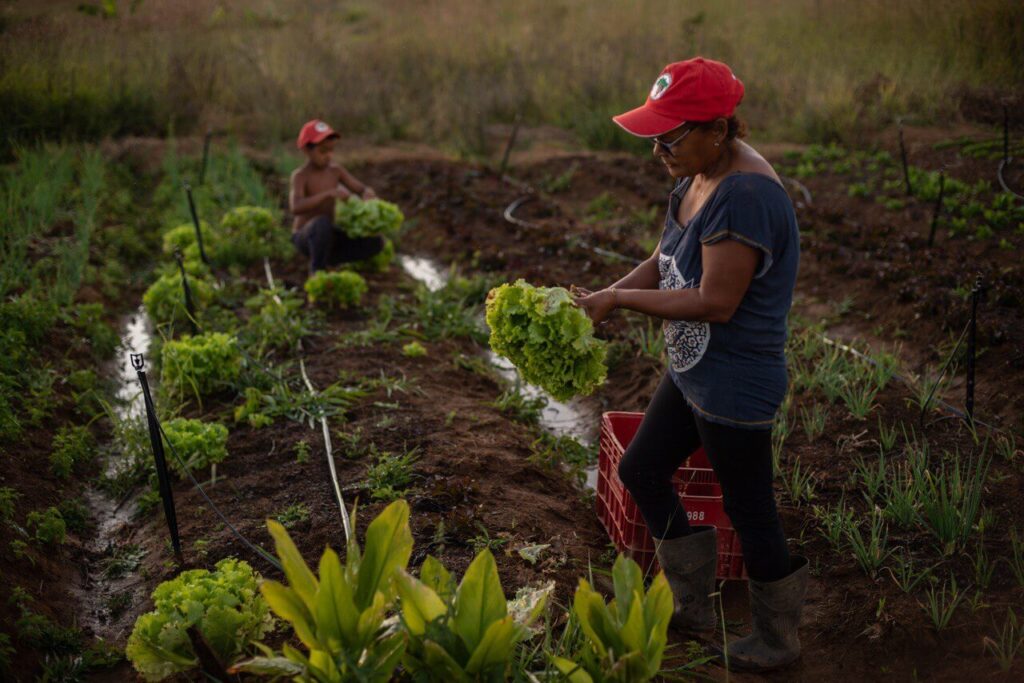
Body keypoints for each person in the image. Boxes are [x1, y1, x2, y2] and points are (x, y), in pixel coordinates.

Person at [573, 57, 806, 672]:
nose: (657, 148)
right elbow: (663, 257)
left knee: (749, 507)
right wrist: (608, 293)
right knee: (643, 470)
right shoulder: (694, 175)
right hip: (694, 372)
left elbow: (715, 302)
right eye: (654, 133)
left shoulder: (747, 196)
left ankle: (778, 641)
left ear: (718, 130)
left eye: (669, 135)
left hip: (735, 382)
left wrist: (622, 300)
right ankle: (694, 606)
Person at [289, 119, 384, 273]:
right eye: (323, 151)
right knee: (321, 223)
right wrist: (328, 194)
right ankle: (317, 271)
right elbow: (296, 207)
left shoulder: (335, 171)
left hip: (329, 237)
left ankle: (330, 261)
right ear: (307, 150)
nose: (329, 156)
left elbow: (361, 188)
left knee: (375, 242)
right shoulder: (301, 176)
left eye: (331, 150)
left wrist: (368, 194)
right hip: (305, 237)